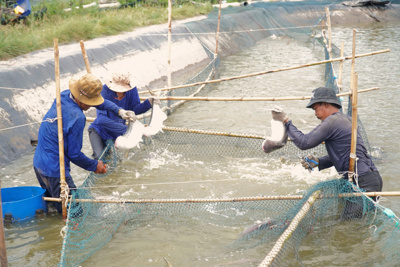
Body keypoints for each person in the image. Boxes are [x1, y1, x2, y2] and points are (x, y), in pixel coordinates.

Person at [271, 86, 383, 219]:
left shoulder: (332, 122)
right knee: (360, 223)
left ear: (325, 104)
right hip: (371, 179)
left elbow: (304, 143)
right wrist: (319, 162)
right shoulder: (346, 119)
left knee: (348, 226)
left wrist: (286, 122)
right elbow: (345, 154)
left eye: (315, 108)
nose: (315, 113)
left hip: (363, 183)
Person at [33, 73, 135, 214]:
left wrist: (118, 110)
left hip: (39, 163)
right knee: (74, 214)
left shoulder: (63, 96)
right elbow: (74, 154)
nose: (93, 105)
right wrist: (95, 165)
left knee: (53, 208)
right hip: (55, 170)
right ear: (82, 100)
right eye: (91, 102)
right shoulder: (77, 117)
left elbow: (101, 103)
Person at [88, 72, 160, 159]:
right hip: (99, 130)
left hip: (117, 131)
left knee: (117, 160)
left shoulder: (131, 89)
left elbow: (135, 109)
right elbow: (101, 120)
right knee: (100, 158)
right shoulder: (104, 91)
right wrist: (130, 131)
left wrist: (148, 103)